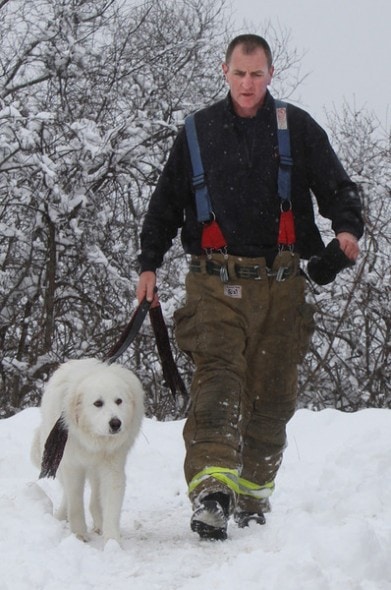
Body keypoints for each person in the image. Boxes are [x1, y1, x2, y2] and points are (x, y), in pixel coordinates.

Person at [136, 34, 363, 540]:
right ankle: (213, 492)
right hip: (214, 285)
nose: (247, 84)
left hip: (283, 286)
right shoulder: (197, 132)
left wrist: (346, 229)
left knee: (274, 396)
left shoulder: (296, 128)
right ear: (225, 71)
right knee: (218, 380)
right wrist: (148, 263)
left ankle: (253, 494)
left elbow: (339, 188)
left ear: (270, 74)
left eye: (256, 74)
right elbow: (164, 206)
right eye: (239, 73)